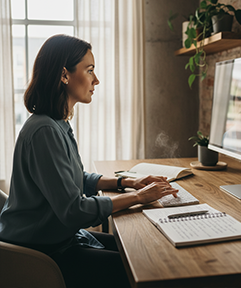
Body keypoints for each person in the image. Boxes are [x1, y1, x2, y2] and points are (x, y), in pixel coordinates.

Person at [0, 34, 178, 288]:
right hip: (42, 253)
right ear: (64, 75)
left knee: (144, 249)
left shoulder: (57, 123)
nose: (96, 80)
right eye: (90, 70)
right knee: (145, 267)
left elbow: (77, 179)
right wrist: (138, 197)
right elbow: (73, 211)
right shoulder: (45, 131)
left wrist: (128, 182)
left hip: (57, 238)